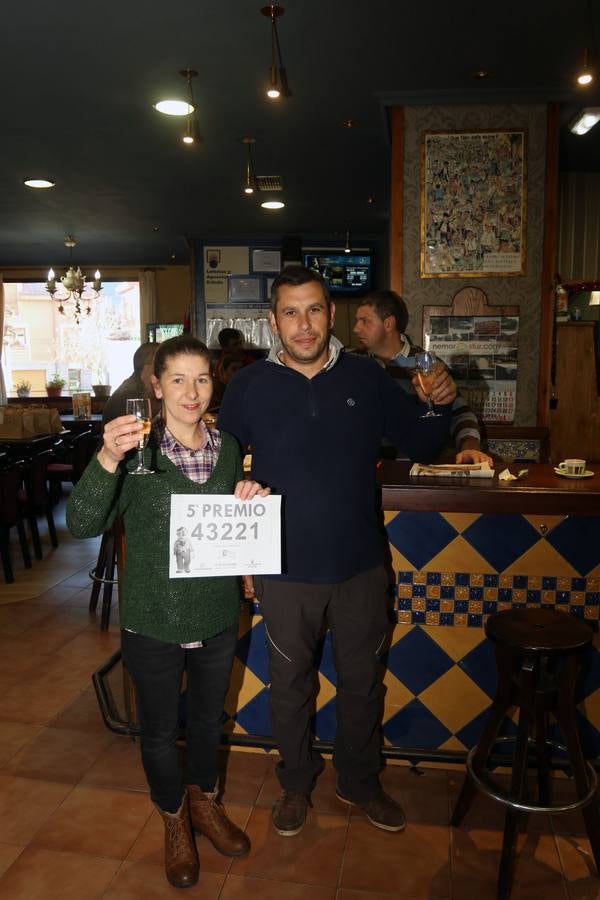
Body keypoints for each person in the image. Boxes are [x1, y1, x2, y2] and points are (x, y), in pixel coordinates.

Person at [218, 266, 457, 839]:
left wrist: (440, 400)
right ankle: (296, 783)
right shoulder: (248, 387)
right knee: (290, 686)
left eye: (315, 310)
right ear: (273, 321)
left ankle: (359, 779)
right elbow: (224, 470)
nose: (304, 325)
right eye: (291, 313)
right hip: (282, 566)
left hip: (359, 564)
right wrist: (243, 557)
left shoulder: (368, 377)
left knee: (361, 683)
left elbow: (424, 439)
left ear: (332, 313)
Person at [67, 335, 269, 889]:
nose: (191, 391)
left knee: (207, 722)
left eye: (202, 379)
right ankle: (175, 821)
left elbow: (230, 526)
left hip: (214, 613)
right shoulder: (136, 452)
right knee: (158, 733)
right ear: (155, 387)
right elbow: (82, 523)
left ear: (214, 383)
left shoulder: (228, 448)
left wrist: (247, 496)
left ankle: (205, 805)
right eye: (177, 379)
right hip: (152, 618)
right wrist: (107, 457)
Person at [352, 290, 493, 465]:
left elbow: (461, 413)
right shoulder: (353, 365)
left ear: (388, 324)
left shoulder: (427, 365)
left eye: (364, 321)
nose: (355, 328)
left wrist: (469, 447)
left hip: (409, 475)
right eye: (357, 321)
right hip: (362, 474)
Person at [102, 342, 160, 425]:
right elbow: (145, 429)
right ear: (147, 368)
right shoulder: (131, 395)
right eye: (161, 365)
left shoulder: (134, 385)